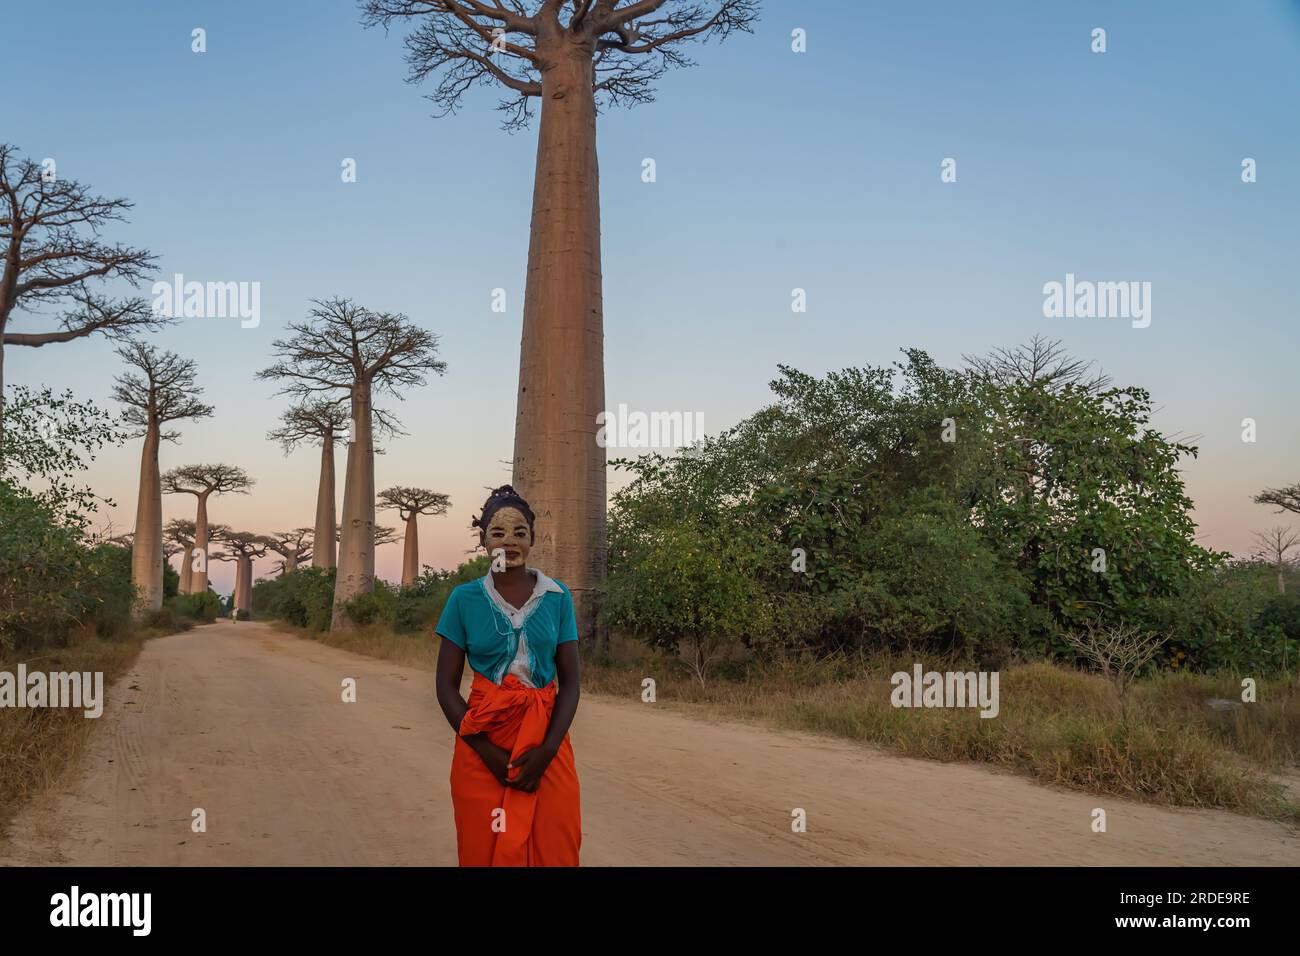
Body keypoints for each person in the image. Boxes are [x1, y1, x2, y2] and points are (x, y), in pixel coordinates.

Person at [433, 484, 582, 866]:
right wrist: (486, 752)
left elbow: (571, 682)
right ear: (483, 539)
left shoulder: (557, 597)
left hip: (544, 737)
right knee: (484, 845)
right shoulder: (463, 599)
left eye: (520, 532)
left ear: (533, 538)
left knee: (556, 840)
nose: (509, 541)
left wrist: (547, 752)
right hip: (482, 738)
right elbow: (445, 687)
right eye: (498, 532)